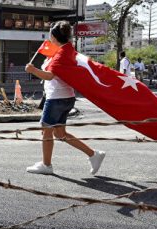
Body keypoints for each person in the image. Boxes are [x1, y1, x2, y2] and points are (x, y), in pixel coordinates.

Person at [24, 21, 105, 176]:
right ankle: (94, 155)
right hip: (66, 97)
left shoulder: (61, 55)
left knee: (46, 131)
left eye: (50, 34)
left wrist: (32, 70)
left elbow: (49, 76)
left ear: (53, 36)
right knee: (60, 133)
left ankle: (46, 165)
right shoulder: (65, 51)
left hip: (56, 98)